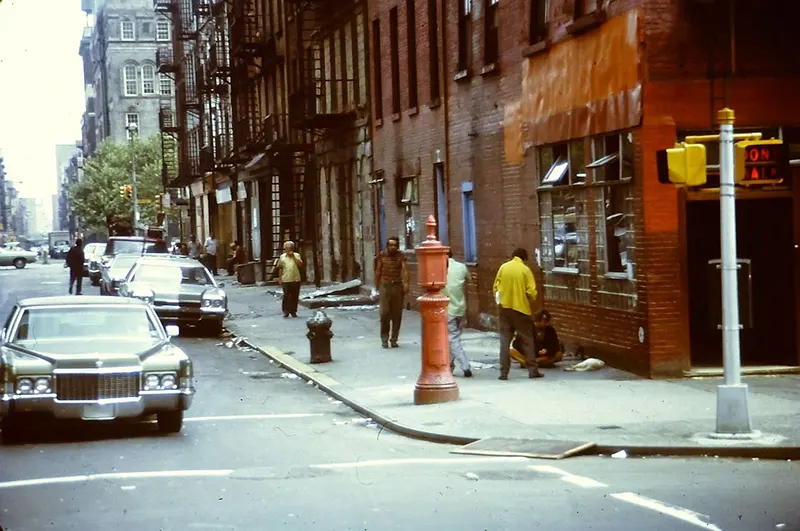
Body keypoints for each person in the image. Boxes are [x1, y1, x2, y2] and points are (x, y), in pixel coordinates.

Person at [493, 248, 544, 380]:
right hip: (521, 310)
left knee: (504, 341)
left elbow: (495, 288)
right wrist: (529, 299)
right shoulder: (525, 270)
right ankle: (533, 370)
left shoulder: (503, 268)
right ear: (524, 258)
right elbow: (532, 292)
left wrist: (501, 300)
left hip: (505, 309)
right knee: (527, 340)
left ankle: (504, 372)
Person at [442, 249, 472, 377]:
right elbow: (469, 279)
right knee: (455, 339)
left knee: (452, 339)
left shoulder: (439, 270)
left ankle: (465, 366)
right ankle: (449, 365)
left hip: (448, 309)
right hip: (460, 307)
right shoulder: (462, 267)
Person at [375, 237, 408, 349]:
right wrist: (377, 287)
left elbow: (404, 270)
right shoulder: (382, 255)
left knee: (396, 314)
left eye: (395, 245)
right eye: (391, 245)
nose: (393, 247)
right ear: (387, 246)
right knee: (384, 313)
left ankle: (394, 339)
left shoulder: (401, 256)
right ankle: (384, 338)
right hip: (385, 286)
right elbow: (378, 270)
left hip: (397, 286)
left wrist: (406, 283)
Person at [275, 240, 304, 318]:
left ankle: (293, 311)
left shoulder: (297, 255)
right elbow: (280, 268)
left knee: (295, 295)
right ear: (285, 249)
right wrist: (280, 278)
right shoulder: (282, 257)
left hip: (295, 278)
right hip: (286, 279)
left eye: (291, 248)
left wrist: (293, 257)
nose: (289, 249)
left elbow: (300, 265)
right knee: (286, 295)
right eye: (287, 248)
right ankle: (286, 311)